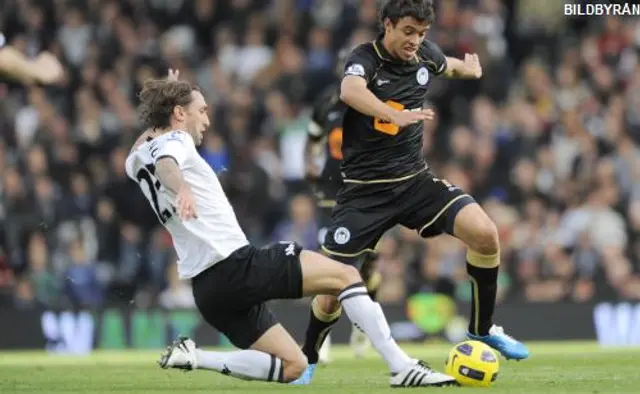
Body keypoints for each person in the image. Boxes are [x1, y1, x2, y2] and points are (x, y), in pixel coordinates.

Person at [125, 74, 457, 387]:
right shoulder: (177, 140)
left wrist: (167, 93)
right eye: (202, 111)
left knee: (294, 365)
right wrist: (182, 186)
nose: (207, 121)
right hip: (235, 265)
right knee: (345, 276)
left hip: (208, 291)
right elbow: (168, 163)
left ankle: (195, 357)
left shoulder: (136, 158)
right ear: (180, 114)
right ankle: (401, 367)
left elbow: (151, 145)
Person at [294, 0, 529, 384]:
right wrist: (393, 114)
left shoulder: (424, 53)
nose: (414, 40)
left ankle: (482, 329)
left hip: (413, 181)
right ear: (387, 25)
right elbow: (350, 90)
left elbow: (445, 64)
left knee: (485, 234)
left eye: (421, 33)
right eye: (407, 31)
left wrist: (466, 69)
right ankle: (307, 357)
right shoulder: (364, 58)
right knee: (330, 290)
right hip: (363, 193)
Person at [304, 48, 380, 363]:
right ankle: (324, 338)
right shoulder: (326, 105)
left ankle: (362, 328)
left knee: (367, 265)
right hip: (330, 190)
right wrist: (308, 166)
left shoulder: (375, 104)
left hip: (364, 191)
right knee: (330, 261)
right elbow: (312, 140)